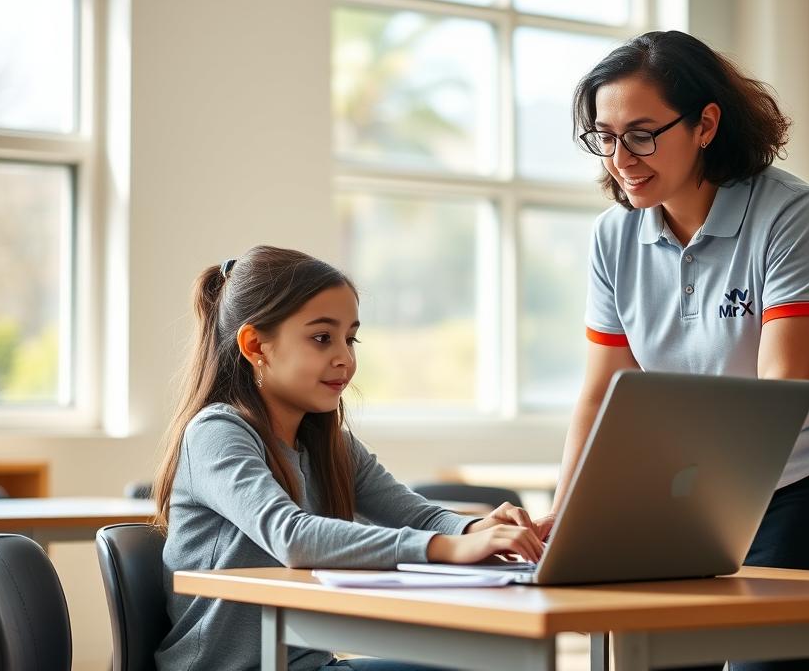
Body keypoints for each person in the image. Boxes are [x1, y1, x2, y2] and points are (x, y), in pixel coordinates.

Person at [544, 30, 809, 671]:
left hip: (800, 489)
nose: (622, 158)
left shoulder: (790, 212)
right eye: (605, 137)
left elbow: (779, 389)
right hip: (683, 498)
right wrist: (569, 515)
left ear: (706, 125)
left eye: (643, 134)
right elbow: (601, 392)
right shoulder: (614, 236)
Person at [152, 245, 543, 671]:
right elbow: (293, 538)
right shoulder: (216, 432)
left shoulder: (328, 441)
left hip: (313, 665)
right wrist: (449, 547)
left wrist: (477, 528)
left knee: (493, 663)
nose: (346, 358)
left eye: (350, 338)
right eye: (322, 338)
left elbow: (418, 517)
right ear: (256, 345)